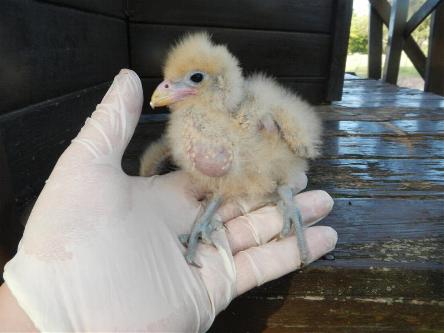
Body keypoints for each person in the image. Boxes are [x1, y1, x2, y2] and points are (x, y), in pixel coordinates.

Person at [0, 69, 337, 332]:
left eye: (193, 78)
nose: (167, 89)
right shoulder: (195, 131)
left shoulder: (258, 114)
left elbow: (300, 146)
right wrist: (46, 305)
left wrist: (44, 314)